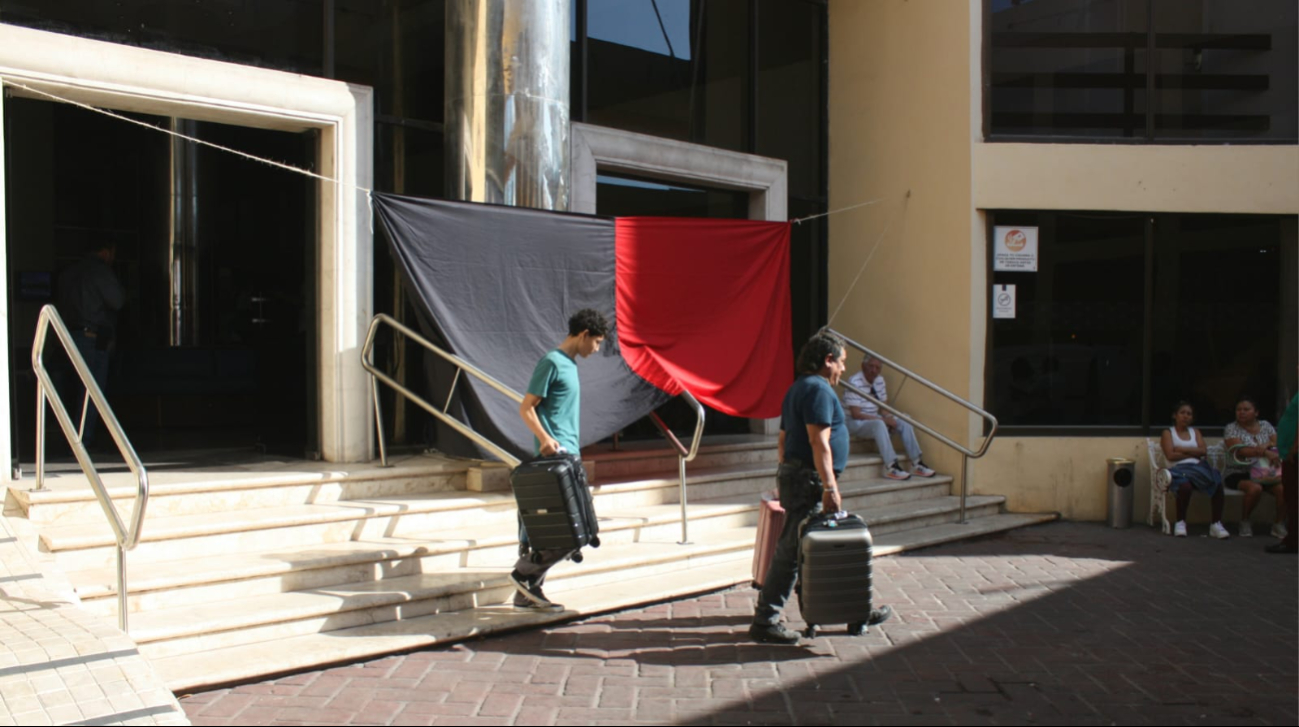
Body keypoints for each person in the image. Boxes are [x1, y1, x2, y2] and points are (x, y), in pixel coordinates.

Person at [749, 333, 892, 645]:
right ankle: (765, 620)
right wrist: (829, 486)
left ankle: (853, 607)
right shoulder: (818, 390)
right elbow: (819, 441)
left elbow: (784, 440)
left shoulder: (798, 388)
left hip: (797, 476)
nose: (842, 369)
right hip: (809, 481)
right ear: (828, 361)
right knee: (794, 550)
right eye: (841, 362)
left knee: (812, 548)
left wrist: (785, 476)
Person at [508, 308, 608, 612]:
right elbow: (526, 408)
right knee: (568, 529)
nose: (597, 349)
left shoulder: (570, 365)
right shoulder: (552, 362)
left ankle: (526, 591)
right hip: (552, 458)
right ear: (584, 334)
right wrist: (545, 439)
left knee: (567, 528)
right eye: (597, 342)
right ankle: (523, 575)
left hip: (569, 457)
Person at [55, 240, 124, 446]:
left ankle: (67, 440)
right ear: (105, 252)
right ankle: (81, 444)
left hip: (67, 338)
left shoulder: (68, 273)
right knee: (91, 394)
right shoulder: (100, 272)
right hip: (91, 339)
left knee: (69, 390)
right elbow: (117, 301)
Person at [843, 356, 936, 480]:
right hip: (853, 422)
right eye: (871, 366)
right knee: (879, 424)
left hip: (874, 418)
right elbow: (856, 414)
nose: (874, 371)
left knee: (905, 419)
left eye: (877, 368)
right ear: (863, 366)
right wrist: (883, 420)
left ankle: (916, 463)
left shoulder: (879, 380)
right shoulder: (854, 382)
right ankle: (890, 466)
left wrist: (890, 418)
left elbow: (883, 408)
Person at [1159, 401, 1228, 539]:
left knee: (1216, 482)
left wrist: (1182, 450)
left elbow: (1203, 451)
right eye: (1182, 413)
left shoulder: (1195, 432)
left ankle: (1216, 524)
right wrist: (1194, 453)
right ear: (1175, 415)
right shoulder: (1168, 433)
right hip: (1178, 470)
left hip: (1198, 470)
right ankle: (1180, 522)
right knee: (1185, 487)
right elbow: (1171, 455)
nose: (1185, 416)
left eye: (1189, 414)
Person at [1223, 397, 1286, 539]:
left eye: (1246, 409)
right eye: (1238, 410)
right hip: (1239, 472)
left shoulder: (1265, 425)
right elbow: (1240, 451)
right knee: (1255, 488)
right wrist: (1264, 451)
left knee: (1285, 488)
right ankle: (1245, 521)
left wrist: (1266, 446)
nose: (1241, 412)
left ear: (1256, 412)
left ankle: (1278, 524)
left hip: (1266, 472)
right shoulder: (1231, 428)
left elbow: (1277, 442)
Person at [1267, 388, 1298, 554]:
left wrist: (1295, 447)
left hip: (1295, 455)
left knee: (1294, 497)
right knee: (1291, 497)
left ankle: (1293, 541)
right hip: (1289, 453)